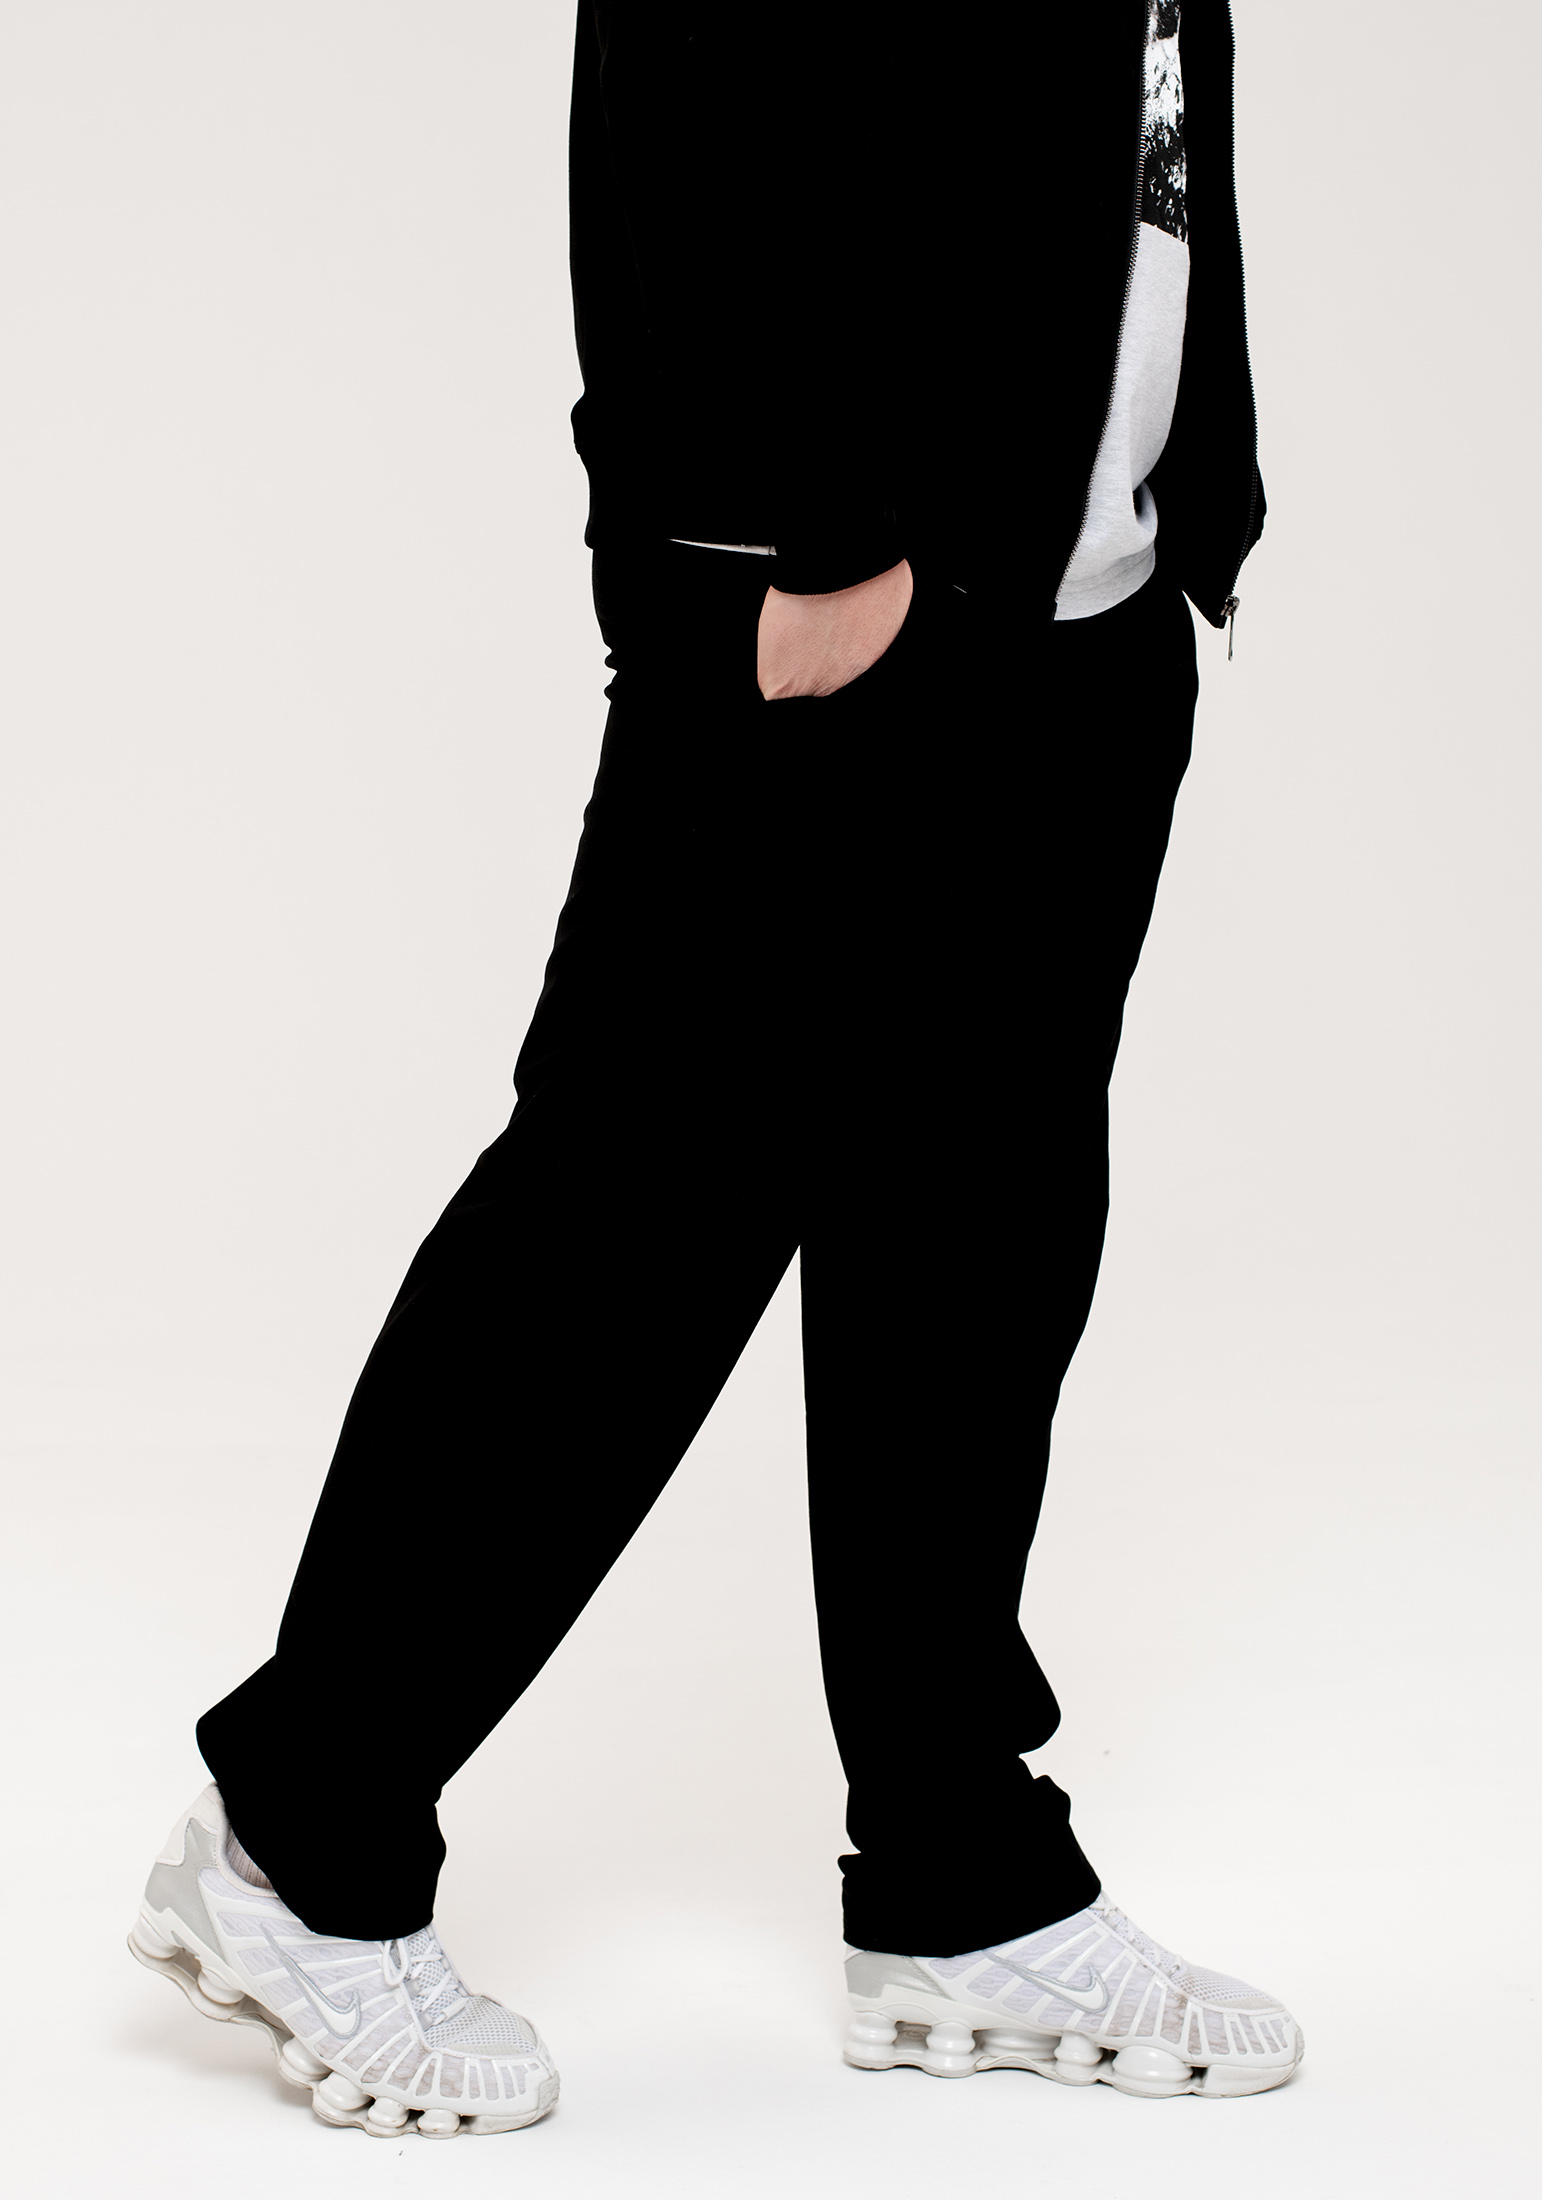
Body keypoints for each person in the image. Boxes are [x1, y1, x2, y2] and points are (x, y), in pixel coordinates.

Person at [128, 0, 1301, 2138]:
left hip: (1084, 624)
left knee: (979, 1241)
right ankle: (301, 1829)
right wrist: (817, 538)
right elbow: (699, 81)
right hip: (840, 610)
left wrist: (1183, 496)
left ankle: (954, 1874)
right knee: (633, 1220)